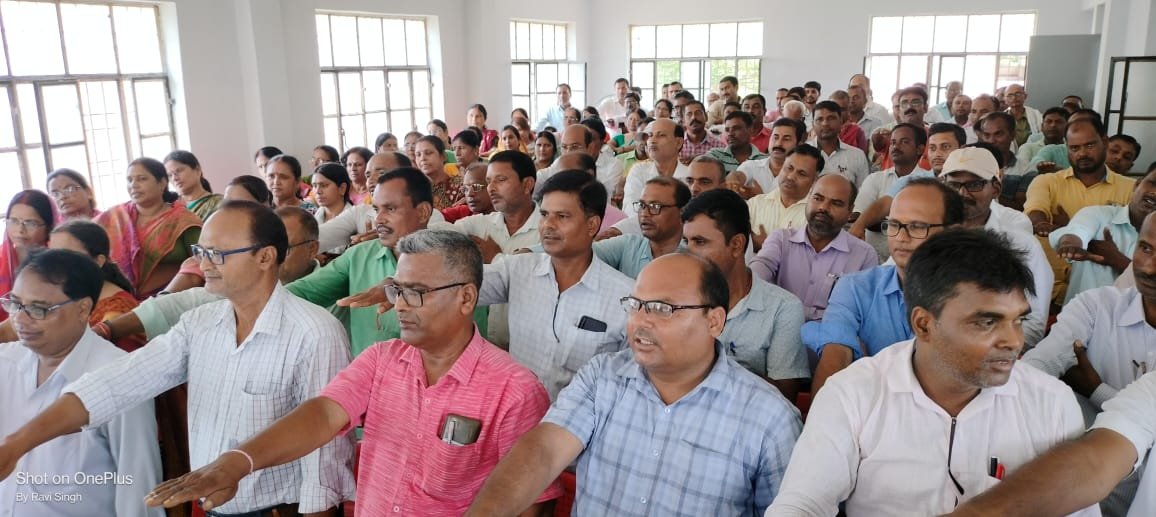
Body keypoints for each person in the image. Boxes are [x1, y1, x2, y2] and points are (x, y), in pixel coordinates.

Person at [138, 230, 561, 516]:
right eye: (397, 289)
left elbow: (531, 502)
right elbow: (323, 413)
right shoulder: (381, 361)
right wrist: (237, 463)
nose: (400, 304)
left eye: (416, 292)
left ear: (467, 298)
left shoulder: (514, 390)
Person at [0, 201, 356, 516]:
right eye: (201, 251)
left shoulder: (313, 332)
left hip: (282, 510)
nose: (203, 264)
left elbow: (325, 450)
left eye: (217, 254)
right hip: (214, 507)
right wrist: (18, 444)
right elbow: (117, 382)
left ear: (264, 257)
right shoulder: (200, 324)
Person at [768, 229, 1096, 516]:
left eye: (1019, 320)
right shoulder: (854, 393)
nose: (1013, 341)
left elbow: (1076, 510)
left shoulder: (1051, 403)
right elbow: (803, 503)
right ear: (924, 324)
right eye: (987, 322)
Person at [463, 253, 802, 517]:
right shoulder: (602, 377)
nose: (640, 321)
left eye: (662, 309)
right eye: (635, 305)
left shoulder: (769, 418)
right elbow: (544, 451)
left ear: (714, 321)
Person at [947, 214, 1156, 517]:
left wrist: (1095, 390)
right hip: (1076, 489)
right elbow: (1039, 366)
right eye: (1146, 248)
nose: (1148, 267)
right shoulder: (1098, 306)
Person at [0, 249, 162, 517]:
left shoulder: (119, 377)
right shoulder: (6, 362)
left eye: (39, 309)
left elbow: (137, 486)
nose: (20, 319)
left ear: (83, 308)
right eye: (15, 304)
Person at [288, 168, 484, 357]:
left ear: (423, 212)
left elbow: (471, 343)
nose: (379, 220)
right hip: (368, 377)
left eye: (390, 209)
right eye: (376, 209)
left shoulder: (455, 263)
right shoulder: (359, 255)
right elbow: (296, 295)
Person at [478, 171, 633, 398]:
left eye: (562, 216)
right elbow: (457, 289)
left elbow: (630, 379)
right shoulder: (517, 269)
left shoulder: (625, 298)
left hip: (580, 418)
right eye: (544, 214)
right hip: (517, 411)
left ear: (592, 225)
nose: (548, 225)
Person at [805, 178, 965, 393]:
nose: (901, 237)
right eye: (894, 225)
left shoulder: (976, 299)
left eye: (917, 227)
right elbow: (835, 359)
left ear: (952, 232)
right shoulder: (855, 288)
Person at [682, 189, 809, 402]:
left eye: (700, 242)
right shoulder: (677, 299)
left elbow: (783, 396)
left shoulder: (782, 308)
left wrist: (704, 363)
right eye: (686, 241)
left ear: (736, 245)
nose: (688, 252)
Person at [937, 146, 1054, 346]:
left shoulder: (1020, 244)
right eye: (953, 185)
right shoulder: (927, 233)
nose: (962, 193)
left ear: (996, 189)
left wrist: (984, 350)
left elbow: (1034, 323)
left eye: (974, 184)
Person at [752, 174, 878, 321]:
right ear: (808, 199)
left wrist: (782, 309)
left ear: (850, 211)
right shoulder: (781, 239)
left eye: (836, 203)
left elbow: (856, 313)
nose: (823, 207)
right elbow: (757, 274)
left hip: (831, 335)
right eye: (818, 198)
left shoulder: (864, 255)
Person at [95, 159, 201, 299]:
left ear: (162, 183)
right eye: (129, 180)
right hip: (120, 301)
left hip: (171, 300)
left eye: (142, 179)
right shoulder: (115, 216)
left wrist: (161, 300)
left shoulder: (183, 221)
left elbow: (202, 262)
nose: (134, 185)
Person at [1052, 167, 1156, 303]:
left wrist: (1116, 259)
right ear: (1137, 185)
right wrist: (1070, 244)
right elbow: (1078, 231)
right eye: (1153, 183)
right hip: (1080, 314)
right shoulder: (1098, 214)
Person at [1026, 117, 1135, 239]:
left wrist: (1067, 227)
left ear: (1105, 143)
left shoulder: (1131, 188)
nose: (1082, 153)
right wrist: (1041, 224)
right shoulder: (1046, 181)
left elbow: (1131, 236)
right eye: (1074, 148)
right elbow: (1035, 210)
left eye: (1089, 145)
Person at [590, 177, 688, 278]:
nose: (644, 213)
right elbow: (583, 256)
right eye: (642, 205)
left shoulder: (692, 256)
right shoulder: (629, 245)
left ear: (682, 212)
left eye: (655, 206)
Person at [747, 144, 824, 248]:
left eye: (801, 174)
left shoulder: (817, 216)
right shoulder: (754, 204)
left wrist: (766, 246)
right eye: (789, 168)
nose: (791, 177)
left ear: (815, 180)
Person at [0, 190, 54, 320]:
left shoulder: (58, 263)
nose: (20, 230)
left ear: (48, 226)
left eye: (31, 223)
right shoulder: (1, 259)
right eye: (14, 221)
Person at [623, 119, 689, 209]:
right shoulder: (639, 171)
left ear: (678, 143)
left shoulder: (690, 176)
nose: (652, 140)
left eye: (661, 135)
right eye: (650, 135)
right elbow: (630, 208)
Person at [734, 118, 806, 198]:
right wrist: (734, 179)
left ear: (799, 145)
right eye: (775, 137)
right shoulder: (751, 166)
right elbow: (738, 176)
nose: (778, 143)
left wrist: (759, 198)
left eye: (786, 139)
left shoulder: (802, 177)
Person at [808, 100, 871, 187]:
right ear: (813, 124)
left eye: (831, 118)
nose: (825, 123)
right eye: (819, 119)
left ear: (841, 121)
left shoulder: (857, 155)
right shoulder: (802, 153)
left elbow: (863, 191)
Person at [163, 150, 222, 221]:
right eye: (170, 175)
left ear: (198, 170)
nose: (174, 178)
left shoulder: (219, 204)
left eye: (179, 171)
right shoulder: (168, 207)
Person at [414, 135, 464, 210]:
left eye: (428, 153)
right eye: (418, 155)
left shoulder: (460, 186)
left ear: (443, 156)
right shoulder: (414, 189)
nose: (422, 158)